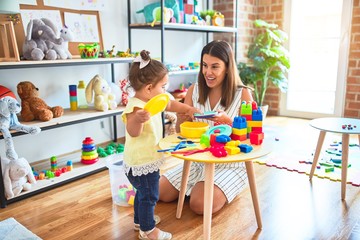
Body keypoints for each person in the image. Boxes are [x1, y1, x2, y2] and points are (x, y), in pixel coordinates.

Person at [159, 40, 254, 215]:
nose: (207, 72)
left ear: (227, 67)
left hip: (229, 165)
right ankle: (199, 187)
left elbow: (251, 137)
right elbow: (181, 131)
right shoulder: (194, 90)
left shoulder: (243, 94)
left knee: (199, 205)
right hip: (198, 160)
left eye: (215, 67)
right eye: (204, 65)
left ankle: (218, 188)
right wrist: (182, 115)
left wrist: (229, 123)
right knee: (160, 192)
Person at [122, 50, 200, 240]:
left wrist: (188, 109)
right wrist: (138, 120)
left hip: (148, 159)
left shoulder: (155, 100)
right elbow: (133, 132)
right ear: (149, 88)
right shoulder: (136, 106)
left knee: (142, 193)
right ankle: (148, 231)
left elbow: (171, 105)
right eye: (163, 87)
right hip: (141, 162)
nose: (165, 92)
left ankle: (140, 221)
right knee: (149, 196)